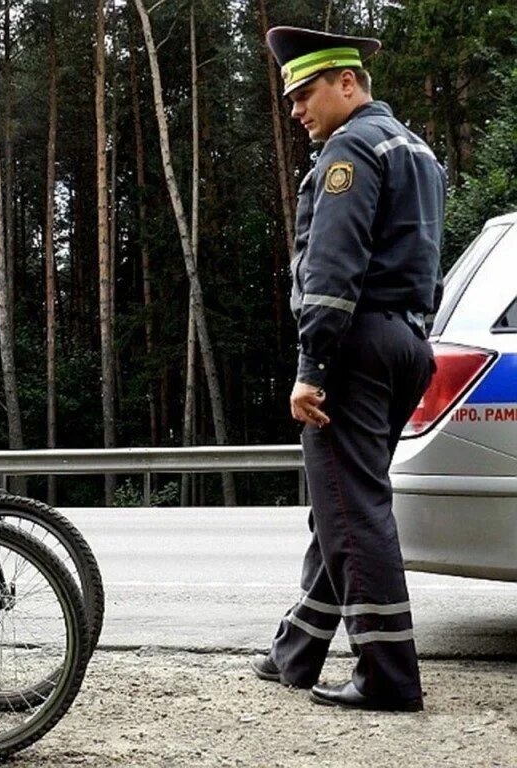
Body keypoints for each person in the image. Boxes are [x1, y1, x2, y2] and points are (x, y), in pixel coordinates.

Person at [250, 27, 446, 712]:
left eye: (304, 94)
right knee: (341, 505)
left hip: (354, 347)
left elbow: (333, 269)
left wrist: (313, 364)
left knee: (353, 510)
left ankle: (388, 674)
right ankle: (296, 651)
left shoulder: (352, 150)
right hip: (407, 342)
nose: (297, 110)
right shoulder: (416, 149)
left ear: (346, 82)